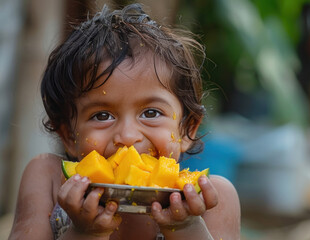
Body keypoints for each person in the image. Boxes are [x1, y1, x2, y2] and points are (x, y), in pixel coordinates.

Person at [8, 3, 240, 240]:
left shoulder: (213, 199)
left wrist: (186, 227)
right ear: (69, 135)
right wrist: (83, 233)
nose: (128, 137)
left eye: (151, 113)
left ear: (187, 129)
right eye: (102, 116)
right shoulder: (46, 181)